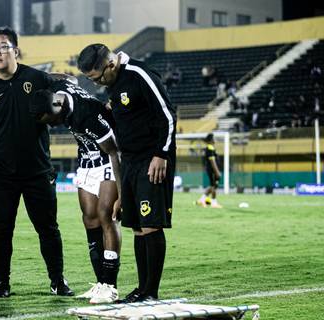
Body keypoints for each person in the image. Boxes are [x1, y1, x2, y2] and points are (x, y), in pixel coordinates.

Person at [0, 26, 73, 299]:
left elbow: (64, 101)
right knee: (0, 229)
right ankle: (1, 284)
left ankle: (57, 281)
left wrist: (63, 92)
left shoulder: (37, 78)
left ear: (15, 50)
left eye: (3, 47)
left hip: (38, 171)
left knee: (48, 228)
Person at [77, 44, 177, 303]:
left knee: (150, 223)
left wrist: (161, 154)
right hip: (129, 160)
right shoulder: (114, 82)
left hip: (151, 158)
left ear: (110, 64)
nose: (97, 83)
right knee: (136, 227)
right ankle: (142, 290)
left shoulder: (140, 74)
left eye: (97, 77)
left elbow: (167, 115)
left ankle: (151, 292)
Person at [29, 75, 121, 304]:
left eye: (50, 119)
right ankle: (100, 283)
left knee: (106, 216)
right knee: (89, 218)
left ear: (56, 106)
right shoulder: (58, 90)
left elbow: (114, 151)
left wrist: (123, 193)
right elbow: (68, 78)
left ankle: (110, 285)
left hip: (109, 160)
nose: (51, 125)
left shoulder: (87, 115)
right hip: (86, 162)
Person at [196, 133, 222, 208]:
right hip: (212, 170)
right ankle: (214, 203)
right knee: (214, 186)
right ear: (211, 140)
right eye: (214, 138)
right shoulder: (210, 148)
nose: (215, 140)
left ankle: (201, 200)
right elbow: (212, 161)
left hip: (211, 170)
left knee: (212, 186)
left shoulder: (211, 148)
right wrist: (217, 171)